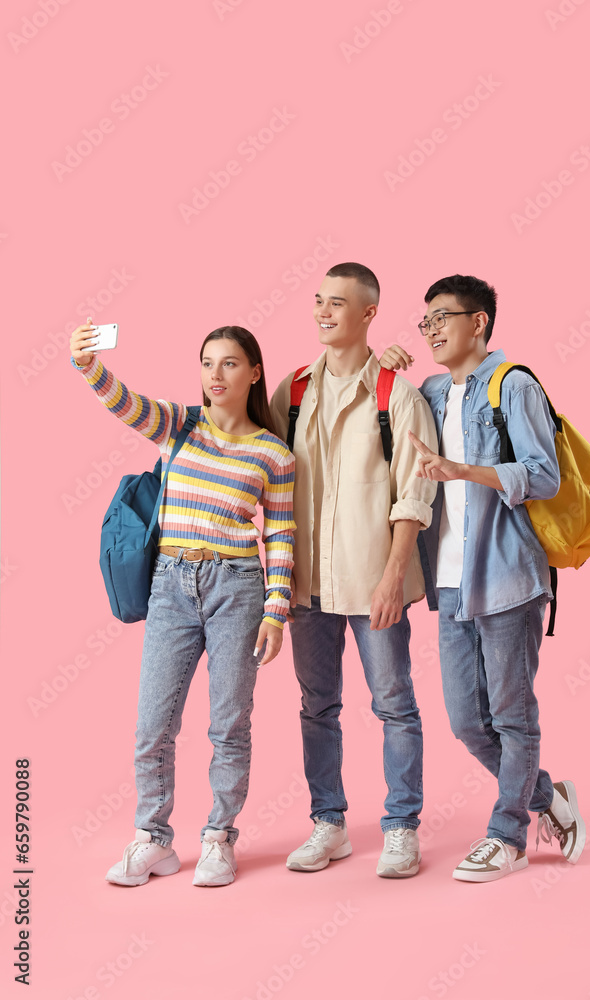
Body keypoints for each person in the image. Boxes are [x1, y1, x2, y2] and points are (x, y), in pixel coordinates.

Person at [70, 322, 295, 887]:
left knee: (229, 724)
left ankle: (220, 837)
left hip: (237, 587)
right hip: (171, 583)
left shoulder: (273, 454)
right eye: (207, 363)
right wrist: (88, 365)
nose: (215, 376)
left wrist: (276, 610)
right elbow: (127, 405)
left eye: (229, 364)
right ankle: (153, 839)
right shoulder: (180, 425)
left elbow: (282, 535)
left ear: (254, 372)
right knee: (153, 725)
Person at [380, 274, 585, 882]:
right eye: (425, 322)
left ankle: (508, 836)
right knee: (468, 721)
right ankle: (548, 796)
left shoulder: (511, 384)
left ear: (480, 323)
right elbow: (382, 424)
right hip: (449, 582)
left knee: (514, 717)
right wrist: (386, 369)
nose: (433, 330)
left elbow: (543, 476)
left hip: (508, 576)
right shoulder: (434, 389)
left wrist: (465, 470)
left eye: (444, 317)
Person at [270, 262, 438, 878]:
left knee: (394, 704)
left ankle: (401, 828)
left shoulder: (399, 396)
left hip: (374, 582)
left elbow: (413, 497)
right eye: (318, 300)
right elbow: (251, 456)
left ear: (368, 313)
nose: (322, 312)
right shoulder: (290, 390)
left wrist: (394, 576)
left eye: (337, 303)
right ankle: (329, 824)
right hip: (306, 583)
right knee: (318, 705)